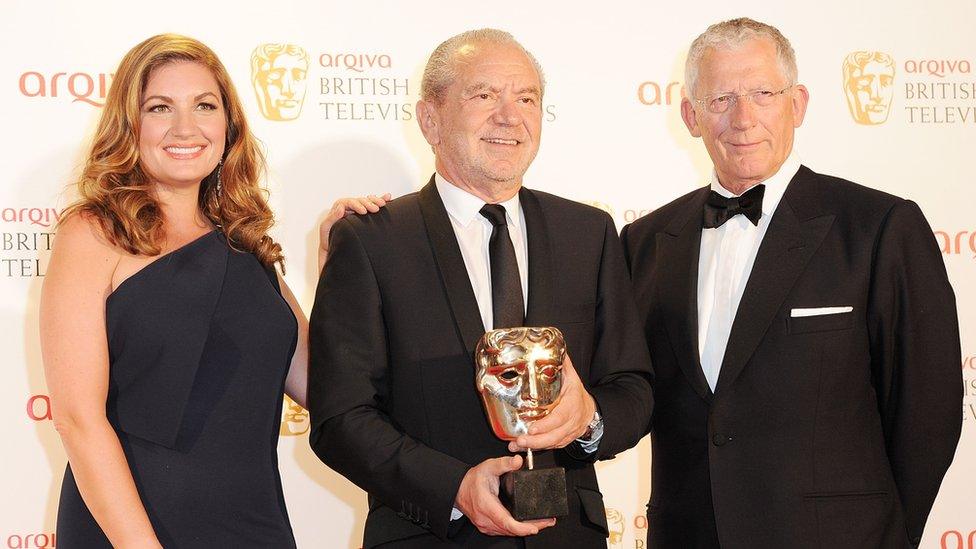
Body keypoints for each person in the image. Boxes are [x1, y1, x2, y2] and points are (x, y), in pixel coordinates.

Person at [620, 18, 962, 548]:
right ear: (690, 115)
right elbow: (632, 391)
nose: (743, 117)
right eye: (721, 98)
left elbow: (928, 412)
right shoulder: (643, 241)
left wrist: (885, 537)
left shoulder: (879, 226)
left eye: (763, 93)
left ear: (798, 103)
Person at [307, 28, 653, 548]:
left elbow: (634, 389)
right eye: (484, 95)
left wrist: (589, 420)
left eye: (527, 98)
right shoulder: (371, 240)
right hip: (430, 535)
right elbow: (341, 417)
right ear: (430, 119)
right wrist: (454, 489)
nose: (510, 116)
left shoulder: (590, 233)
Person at [40, 34, 387, 547]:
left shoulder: (247, 247)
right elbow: (77, 420)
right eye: (160, 107)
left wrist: (339, 270)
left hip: (253, 523)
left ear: (228, 125)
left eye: (205, 105)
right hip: (128, 527)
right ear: (129, 125)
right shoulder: (94, 233)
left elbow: (326, 388)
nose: (186, 128)